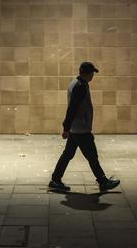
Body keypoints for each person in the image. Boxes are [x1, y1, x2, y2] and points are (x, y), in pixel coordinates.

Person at [49, 61, 121, 192]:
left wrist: (68, 128)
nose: (93, 75)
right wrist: (66, 128)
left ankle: (55, 179)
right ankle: (103, 181)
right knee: (92, 155)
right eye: (92, 73)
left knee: (68, 154)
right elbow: (72, 108)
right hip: (80, 128)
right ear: (87, 73)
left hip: (76, 128)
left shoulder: (76, 83)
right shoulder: (80, 87)